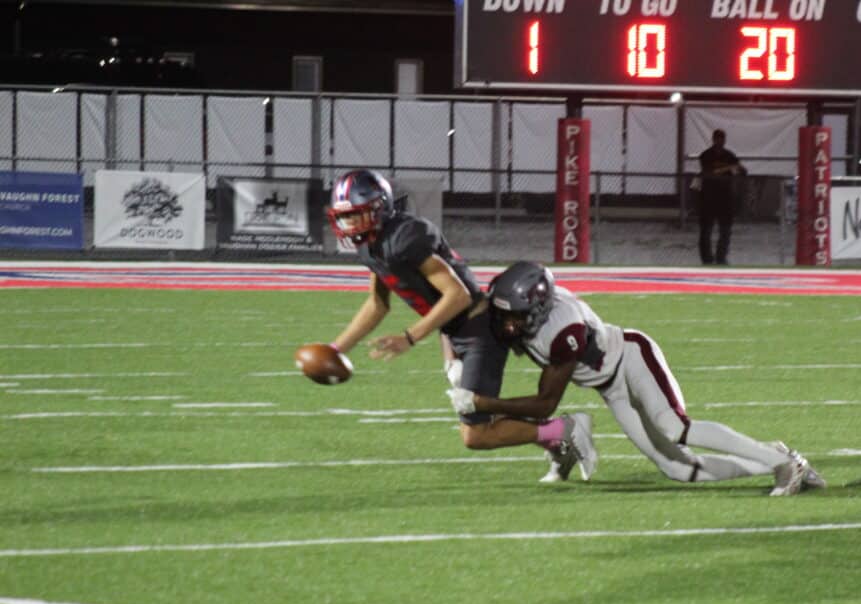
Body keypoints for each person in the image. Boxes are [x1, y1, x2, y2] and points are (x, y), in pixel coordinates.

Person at [445, 261, 823, 494]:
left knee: (675, 428)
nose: (508, 325)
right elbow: (459, 315)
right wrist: (453, 362)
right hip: (611, 388)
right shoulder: (521, 314)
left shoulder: (563, 328)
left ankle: (784, 465)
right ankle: (777, 457)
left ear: (539, 310)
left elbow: (546, 404)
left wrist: (482, 403)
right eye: (505, 315)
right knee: (678, 469)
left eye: (516, 317)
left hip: (631, 359)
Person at [322, 169, 598, 476]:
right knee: (477, 416)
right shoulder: (371, 246)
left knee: (475, 434)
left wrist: (410, 338)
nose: (349, 224)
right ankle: (558, 441)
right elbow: (377, 304)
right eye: (345, 217)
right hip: (455, 332)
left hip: (479, 330)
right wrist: (335, 349)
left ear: (378, 208)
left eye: (355, 215)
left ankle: (564, 431)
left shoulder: (404, 238)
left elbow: (458, 295)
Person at [697, 129, 746, 266]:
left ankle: (721, 257)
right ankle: (707, 259)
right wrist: (726, 169)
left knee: (725, 230)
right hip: (708, 197)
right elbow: (708, 172)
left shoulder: (729, 156)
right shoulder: (706, 155)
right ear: (713, 140)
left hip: (725, 198)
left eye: (722, 139)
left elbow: (741, 171)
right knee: (706, 230)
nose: (719, 142)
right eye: (717, 139)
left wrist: (737, 168)